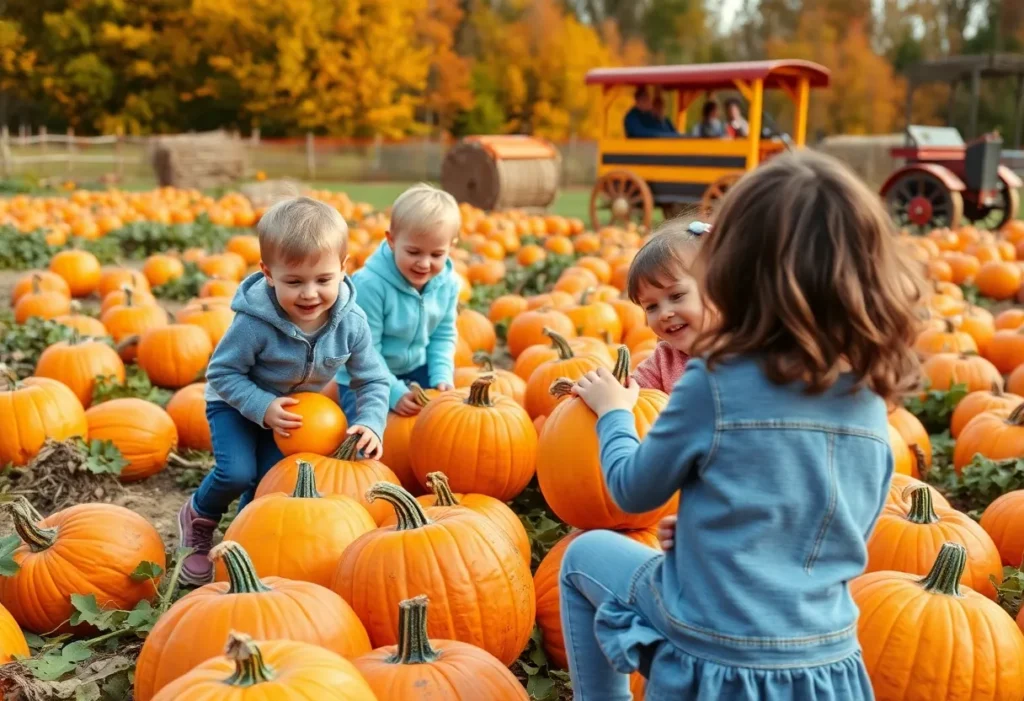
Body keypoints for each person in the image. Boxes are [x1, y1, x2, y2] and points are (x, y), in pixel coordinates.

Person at [559, 150, 922, 700]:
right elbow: (843, 532)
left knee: (582, 558)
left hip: (713, 647)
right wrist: (713, 531)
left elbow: (631, 492)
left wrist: (614, 414)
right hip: (827, 662)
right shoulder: (870, 399)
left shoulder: (714, 381)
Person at [178, 196, 391, 586]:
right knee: (237, 472)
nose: (309, 293)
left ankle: (242, 542)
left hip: (293, 414)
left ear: (344, 270)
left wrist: (372, 422)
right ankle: (199, 517)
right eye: (294, 282)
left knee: (269, 484)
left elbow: (372, 379)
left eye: (323, 280)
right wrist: (263, 405)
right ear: (268, 273)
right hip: (235, 404)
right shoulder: (253, 324)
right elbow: (221, 374)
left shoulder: (351, 323)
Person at [335, 183, 461, 418]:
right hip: (364, 376)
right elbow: (365, 351)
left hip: (416, 368)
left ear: (451, 247)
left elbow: (442, 335)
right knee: (372, 435)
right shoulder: (370, 285)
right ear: (392, 241)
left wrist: (441, 376)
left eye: (436, 254)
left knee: (444, 423)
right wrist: (393, 392)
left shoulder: (449, 283)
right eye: (413, 252)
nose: (424, 263)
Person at [628, 220, 709, 393]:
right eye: (651, 307)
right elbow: (632, 392)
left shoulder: (749, 353)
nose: (664, 314)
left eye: (676, 296)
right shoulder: (663, 361)